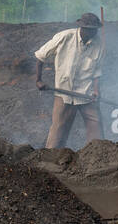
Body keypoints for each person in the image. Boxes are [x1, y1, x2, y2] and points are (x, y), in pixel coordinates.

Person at [34, 12, 104, 150]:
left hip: (86, 92)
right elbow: (40, 56)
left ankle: (97, 153)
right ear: (83, 28)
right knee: (59, 128)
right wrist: (38, 80)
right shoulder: (65, 37)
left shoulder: (99, 44)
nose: (95, 32)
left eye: (96, 29)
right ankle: (52, 156)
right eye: (92, 29)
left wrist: (96, 90)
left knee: (95, 124)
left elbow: (97, 71)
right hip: (64, 92)